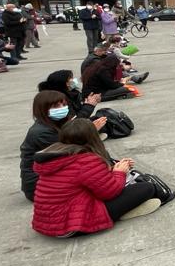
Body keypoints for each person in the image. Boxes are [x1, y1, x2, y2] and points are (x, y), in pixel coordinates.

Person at [32, 118, 162, 237]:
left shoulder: (56, 154)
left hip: (47, 222)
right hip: (70, 226)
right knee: (146, 188)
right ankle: (122, 213)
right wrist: (120, 172)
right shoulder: (85, 160)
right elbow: (110, 192)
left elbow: (84, 180)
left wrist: (113, 169)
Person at [20, 89, 106, 201]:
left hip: (53, 178)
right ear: (43, 109)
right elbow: (72, 152)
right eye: (56, 106)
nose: (61, 108)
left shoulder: (55, 123)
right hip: (39, 186)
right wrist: (90, 132)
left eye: (63, 104)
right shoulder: (41, 132)